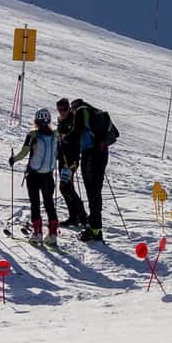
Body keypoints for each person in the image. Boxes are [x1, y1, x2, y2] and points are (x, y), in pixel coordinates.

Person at [69, 97, 119, 243]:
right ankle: (95, 228)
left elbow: (77, 133)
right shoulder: (94, 113)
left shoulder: (81, 111)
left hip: (91, 154)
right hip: (101, 153)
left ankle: (95, 231)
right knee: (95, 192)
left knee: (93, 193)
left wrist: (63, 138)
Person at [10, 108, 59, 248]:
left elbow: (24, 152)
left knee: (35, 204)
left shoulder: (32, 134)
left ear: (36, 120)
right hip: (48, 175)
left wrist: (13, 159)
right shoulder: (55, 134)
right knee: (49, 204)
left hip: (34, 175)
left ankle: (37, 234)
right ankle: (53, 234)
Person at [55, 97, 88, 230]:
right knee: (66, 188)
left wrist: (64, 138)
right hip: (63, 158)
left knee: (66, 187)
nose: (62, 112)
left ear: (68, 108)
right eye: (59, 109)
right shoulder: (61, 120)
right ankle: (75, 217)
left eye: (64, 109)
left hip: (71, 159)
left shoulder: (73, 120)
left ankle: (81, 216)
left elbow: (75, 138)